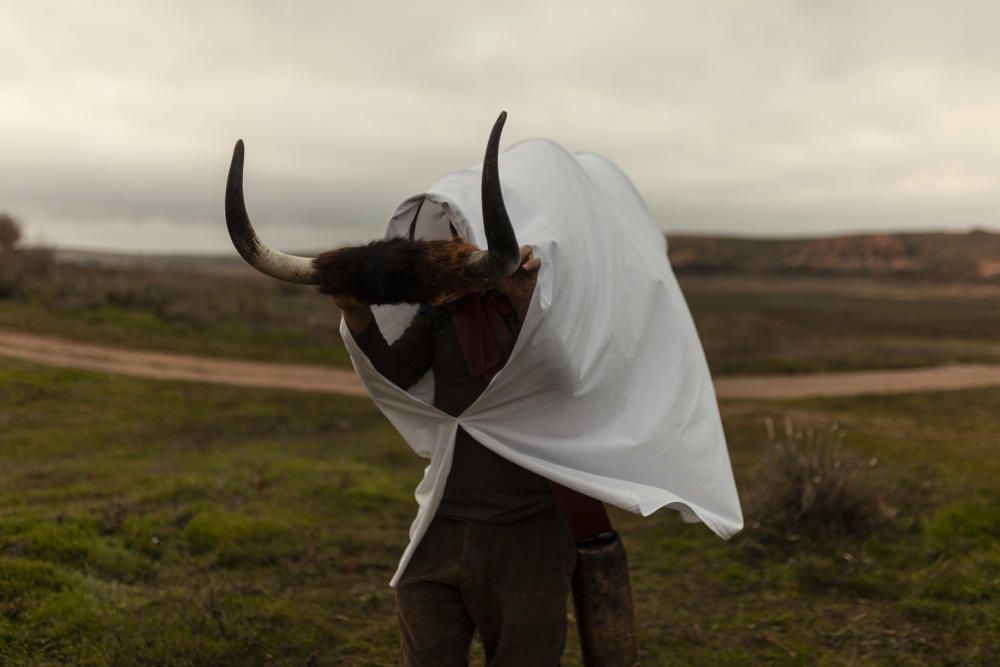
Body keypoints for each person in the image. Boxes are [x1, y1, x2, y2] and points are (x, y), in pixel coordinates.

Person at [333, 246, 575, 667]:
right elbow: (397, 373)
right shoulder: (446, 310)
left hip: (528, 528)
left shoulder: (555, 302)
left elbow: (565, 380)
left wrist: (523, 300)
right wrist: (357, 315)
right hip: (443, 520)